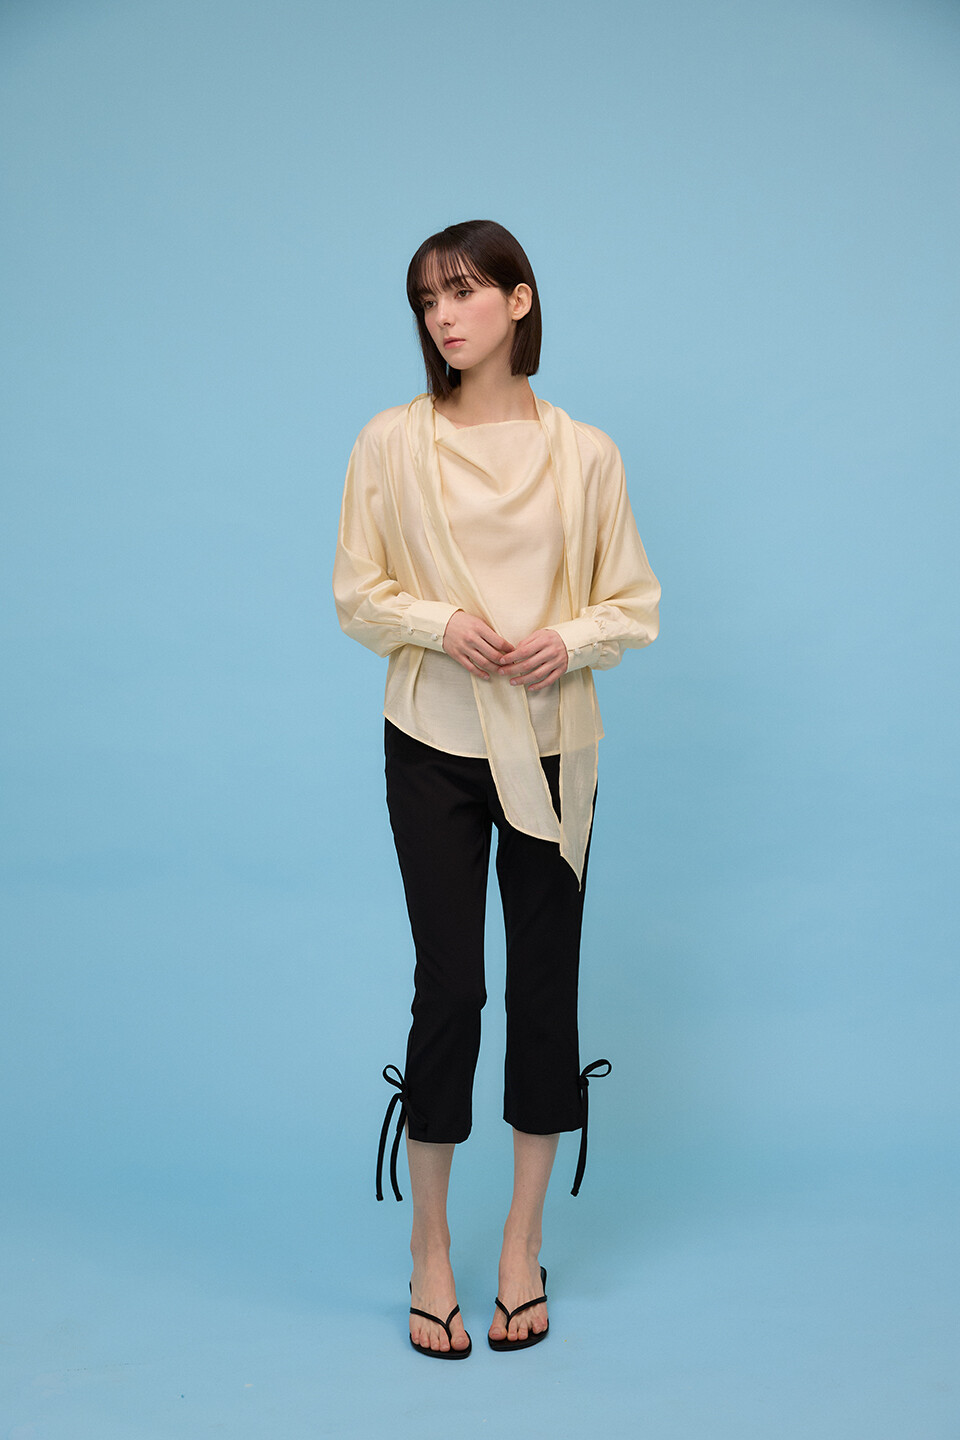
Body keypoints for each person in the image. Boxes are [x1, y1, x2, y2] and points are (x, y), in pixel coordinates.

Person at [333, 220, 660, 1358]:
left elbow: (632, 603)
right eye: (427, 301)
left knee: (544, 988)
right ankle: (430, 1246)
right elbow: (357, 591)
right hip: (431, 737)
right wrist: (441, 623)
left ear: (520, 300)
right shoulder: (392, 442)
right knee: (452, 990)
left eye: (464, 293)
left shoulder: (587, 454)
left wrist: (567, 641)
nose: (443, 317)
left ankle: (522, 1244)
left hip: (556, 745)